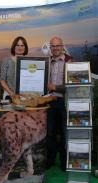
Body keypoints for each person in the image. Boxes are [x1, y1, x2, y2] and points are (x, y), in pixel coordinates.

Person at [46, 36, 72, 171]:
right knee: (50, 133)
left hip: (63, 102)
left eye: (57, 46)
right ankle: (49, 160)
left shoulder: (70, 61)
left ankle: (63, 162)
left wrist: (55, 87)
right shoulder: (47, 62)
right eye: (53, 46)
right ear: (50, 48)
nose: (55, 48)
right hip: (50, 102)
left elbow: (73, 84)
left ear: (62, 46)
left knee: (63, 132)